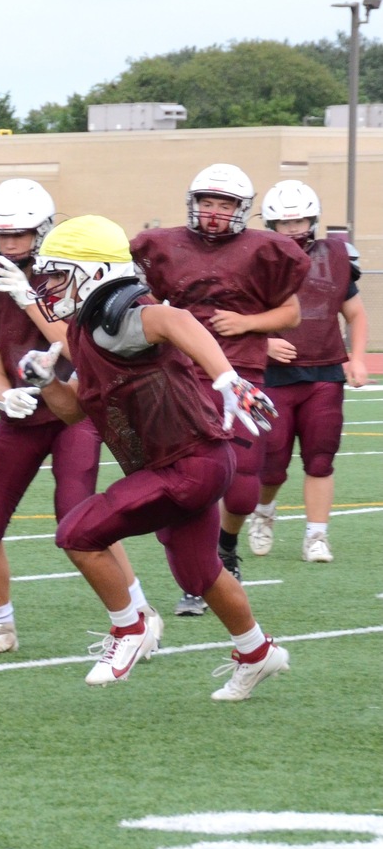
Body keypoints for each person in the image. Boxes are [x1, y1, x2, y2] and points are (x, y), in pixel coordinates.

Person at [25, 214, 289, 699]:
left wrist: (226, 377)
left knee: (77, 534)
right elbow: (75, 410)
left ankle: (131, 628)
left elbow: (176, 319)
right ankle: (257, 653)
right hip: (187, 462)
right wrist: (45, 384)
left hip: (188, 464)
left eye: (60, 273)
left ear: (95, 273)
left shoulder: (121, 317)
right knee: (198, 572)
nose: (51, 285)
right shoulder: (93, 330)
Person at [0, 180, 159, 656]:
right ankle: (3, 626)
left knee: (81, 518)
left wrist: (29, 299)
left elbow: (77, 346)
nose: (9, 245)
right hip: (22, 414)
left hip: (76, 409)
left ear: (44, 230)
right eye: (0, 235)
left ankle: (140, 614)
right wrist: (4, 398)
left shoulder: (70, 271)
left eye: (21, 235)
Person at [131, 163, 309, 616]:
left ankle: (227, 548)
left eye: (223, 204)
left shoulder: (266, 251)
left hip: (243, 372)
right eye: (207, 202)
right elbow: (144, 302)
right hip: (183, 375)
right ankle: (200, 572)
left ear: (241, 209)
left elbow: (289, 315)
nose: (213, 212)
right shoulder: (165, 246)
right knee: (192, 480)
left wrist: (250, 324)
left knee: (244, 487)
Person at [248, 181, 370, 564]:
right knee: (271, 465)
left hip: (324, 373)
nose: (294, 229)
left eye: (300, 220)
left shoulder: (334, 255)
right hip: (274, 376)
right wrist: (262, 343)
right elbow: (231, 318)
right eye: (285, 223)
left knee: (320, 458)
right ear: (270, 225)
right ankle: (264, 513)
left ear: (313, 218)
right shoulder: (253, 259)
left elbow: (355, 313)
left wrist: (358, 356)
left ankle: (317, 535)